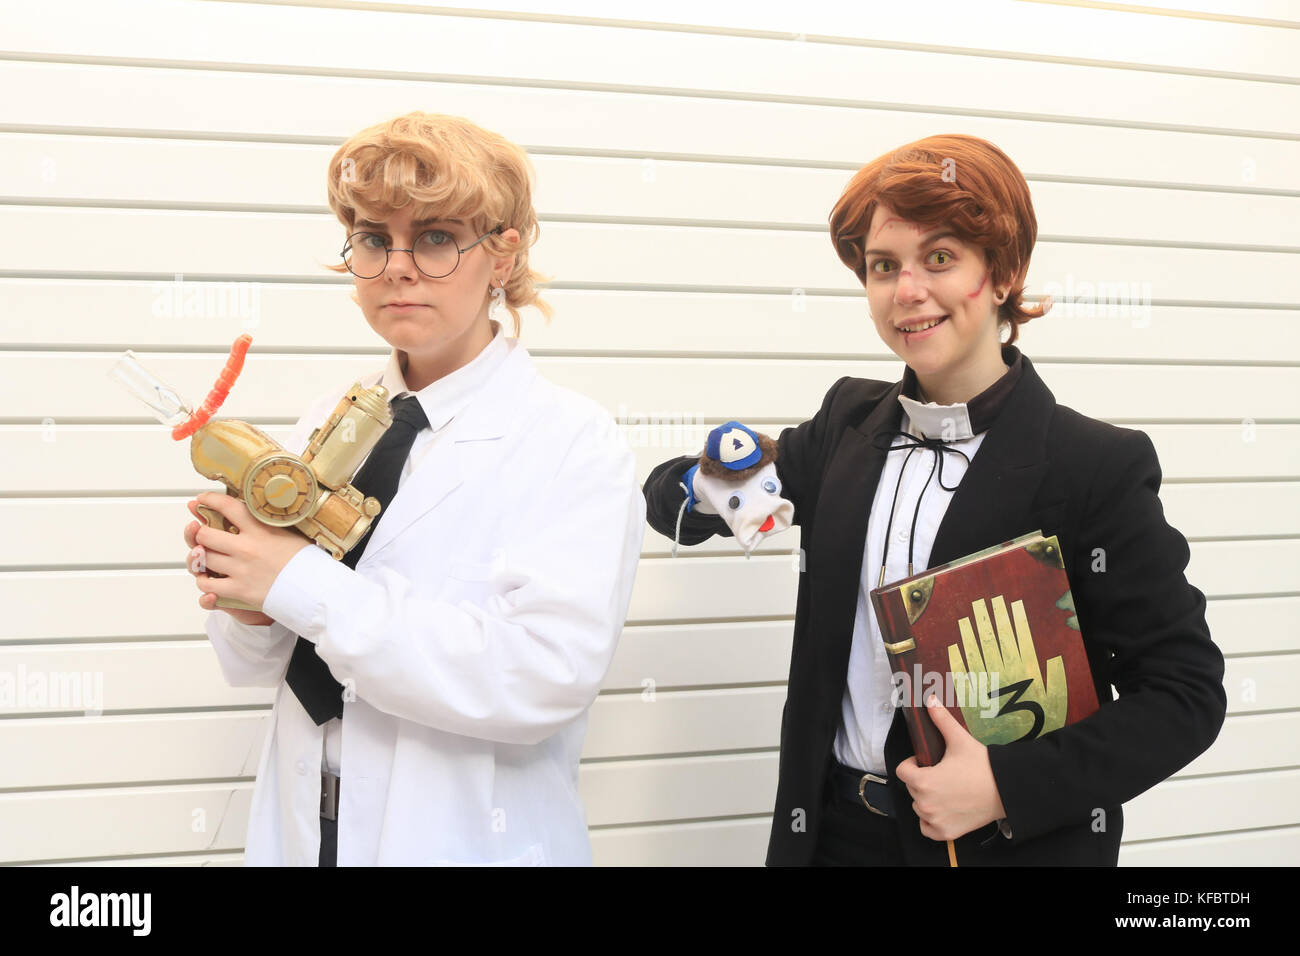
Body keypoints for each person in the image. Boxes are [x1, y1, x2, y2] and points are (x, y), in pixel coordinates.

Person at [643, 134, 1226, 865]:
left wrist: (1004, 784)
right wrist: (708, 485)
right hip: (829, 839)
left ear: (1005, 271)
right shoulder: (844, 426)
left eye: (940, 259)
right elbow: (666, 499)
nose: (907, 291)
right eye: (884, 267)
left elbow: (1185, 694)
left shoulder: (1094, 466)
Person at [182, 111, 645, 866]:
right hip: (308, 830)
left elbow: (540, 678)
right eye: (373, 238)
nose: (397, 266)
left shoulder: (571, 441)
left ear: (503, 255)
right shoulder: (320, 424)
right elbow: (251, 667)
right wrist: (245, 593)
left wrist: (297, 581)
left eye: (434, 238)